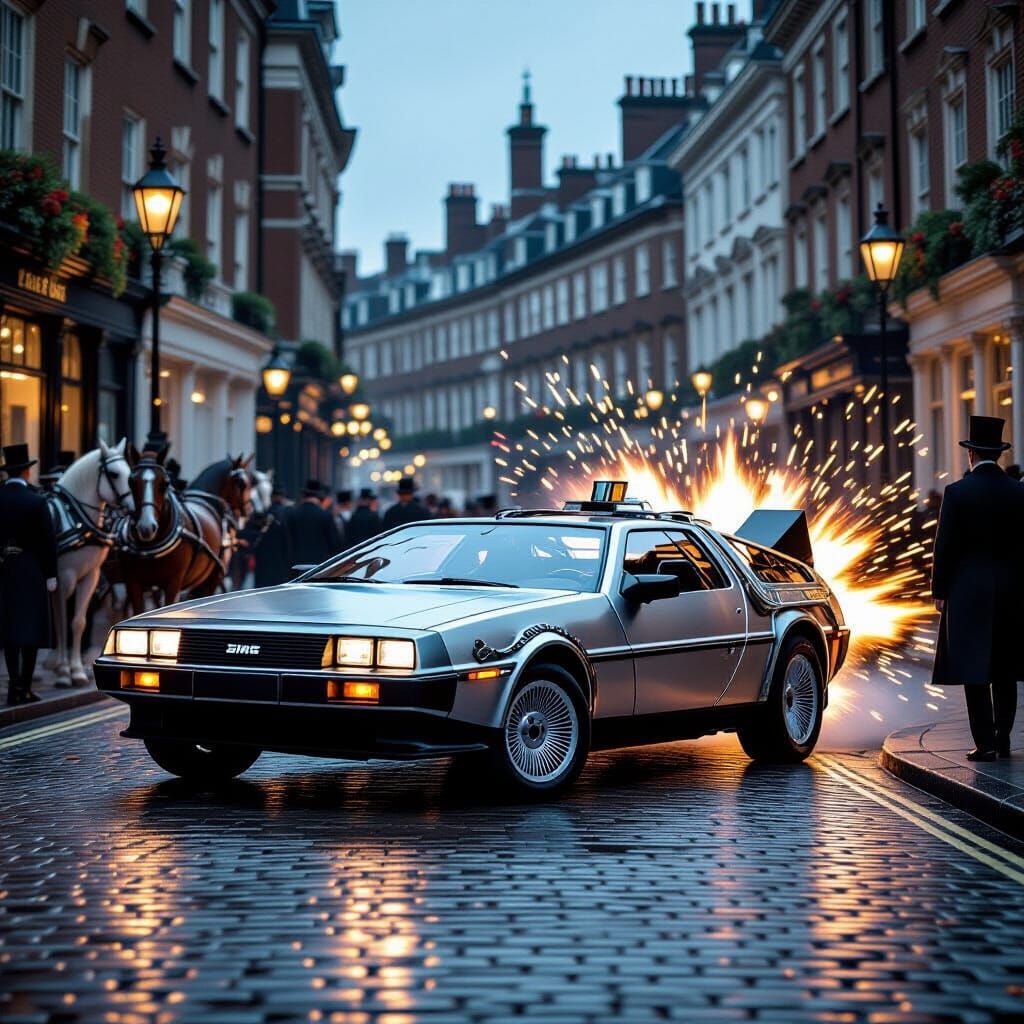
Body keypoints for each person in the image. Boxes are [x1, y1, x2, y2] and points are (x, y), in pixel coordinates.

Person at [931, 416, 1024, 761]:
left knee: (975, 669)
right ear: (997, 455)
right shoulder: (1019, 492)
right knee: (1006, 668)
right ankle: (1003, 738)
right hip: (1013, 592)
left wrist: (938, 591)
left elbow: (946, 547)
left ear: (971, 455)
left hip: (968, 592)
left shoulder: (957, 493)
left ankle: (984, 743)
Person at [0, 444, 58, 705]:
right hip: (32, 569)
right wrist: (51, 574)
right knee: (32, 630)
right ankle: (24, 686)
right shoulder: (36, 501)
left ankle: (13, 687)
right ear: (26, 471)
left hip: (4, 569)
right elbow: (48, 541)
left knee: (9, 630)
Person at [286, 479, 343, 569]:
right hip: (320, 566)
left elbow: (287, 542)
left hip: (296, 566)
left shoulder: (292, 515)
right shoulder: (326, 516)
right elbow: (335, 543)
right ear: (320, 496)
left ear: (303, 495)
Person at [253, 483, 294, 587]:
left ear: (271, 497)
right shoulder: (289, 513)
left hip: (264, 563)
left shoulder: (263, 514)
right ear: (283, 497)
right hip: (282, 562)